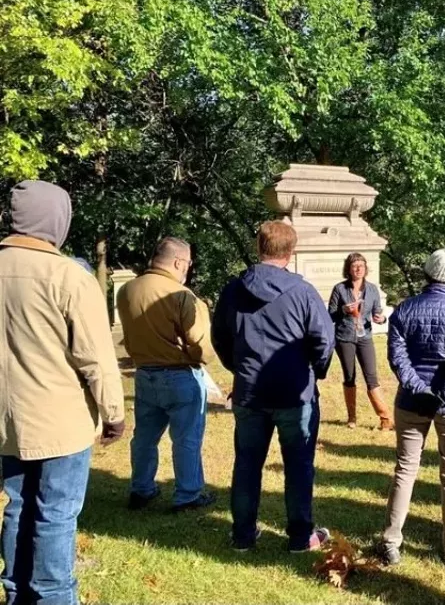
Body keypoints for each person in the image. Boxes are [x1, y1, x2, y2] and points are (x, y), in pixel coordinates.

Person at [0, 180, 125, 604]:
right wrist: (114, 413)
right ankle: (53, 594)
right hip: (60, 420)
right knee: (55, 512)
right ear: (58, 220)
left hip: (6, 419)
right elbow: (96, 356)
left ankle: (16, 590)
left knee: (17, 504)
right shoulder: (68, 276)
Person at [212, 221, 335, 553]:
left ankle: (243, 536)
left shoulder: (233, 290)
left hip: (251, 392)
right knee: (298, 466)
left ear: (259, 247)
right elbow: (324, 340)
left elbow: (220, 338)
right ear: (291, 252)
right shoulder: (302, 292)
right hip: (294, 392)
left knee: (247, 463)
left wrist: (240, 370)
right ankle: (300, 537)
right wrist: (314, 371)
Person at [377, 249, 445, 568]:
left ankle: (391, 542)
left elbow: (398, 358)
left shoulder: (404, 310)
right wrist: (441, 394)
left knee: (405, 468)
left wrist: (419, 389)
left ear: (427, 273)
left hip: (411, 402)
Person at [117, 237, 216, 513]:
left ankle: (141, 489)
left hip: (145, 373)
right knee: (186, 438)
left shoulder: (126, 291)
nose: (188, 268)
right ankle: (187, 495)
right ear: (177, 262)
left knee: (144, 437)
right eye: (188, 263)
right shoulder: (182, 295)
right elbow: (201, 345)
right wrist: (199, 358)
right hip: (180, 374)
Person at [328, 252, 391, 430]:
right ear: (348, 269)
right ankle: (352, 417)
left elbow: (378, 312)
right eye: (354, 266)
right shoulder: (339, 289)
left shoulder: (372, 289)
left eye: (361, 266)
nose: (358, 269)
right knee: (350, 377)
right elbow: (330, 315)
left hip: (365, 337)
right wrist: (343, 310)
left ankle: (385, 418)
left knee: (371, 376)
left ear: (365, 269)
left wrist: (381, 319)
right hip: (344, 337)